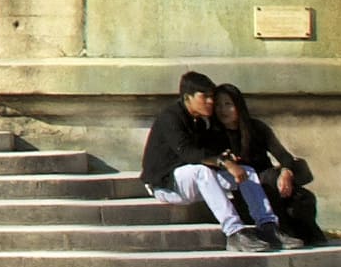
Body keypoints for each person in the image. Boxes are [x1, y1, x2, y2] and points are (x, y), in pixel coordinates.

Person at [137, 66, 278, 246]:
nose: (211, 102)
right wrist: (223, 162)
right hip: (166, 186)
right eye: (205, 97)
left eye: (212, 96)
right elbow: (188, 153)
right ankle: (234, 232)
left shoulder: (201, 121)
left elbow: (209, 151)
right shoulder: (170, 118)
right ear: (188, 97)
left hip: (194, 183)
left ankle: (268, 226)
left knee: (246, 172)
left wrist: (227, 159)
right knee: (201, 171)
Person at [209, 81, 320, 244]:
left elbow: (284, 156)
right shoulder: (213, 134)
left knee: (300, 198)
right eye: (218, 105)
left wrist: (286, 172)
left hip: (274, 185)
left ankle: (306, 234)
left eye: (228, 104)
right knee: (267, 181)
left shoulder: (256, 128)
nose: (223, 110)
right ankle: (277, 231)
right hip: (247, 192)